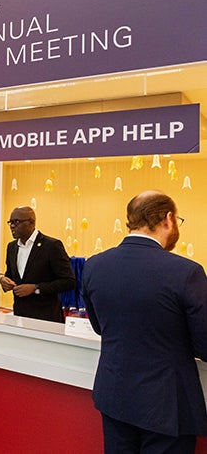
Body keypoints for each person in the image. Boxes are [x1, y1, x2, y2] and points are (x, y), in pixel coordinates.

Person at [82, 191, 207, 453]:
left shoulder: (94, 266)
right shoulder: (187, 272)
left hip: (114, 396)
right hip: (167, 406)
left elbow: (99, 326)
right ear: (168, 219)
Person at [0, 206, 75, 323]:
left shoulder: (51, 246)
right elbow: (11, 275)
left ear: (31, 222)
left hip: (46, 318)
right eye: (10, 222)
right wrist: (4, 280)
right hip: (20, 316)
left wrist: (36, 288)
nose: (12, 226)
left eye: (16, 222)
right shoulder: (11, 247)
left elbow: (69, 281)